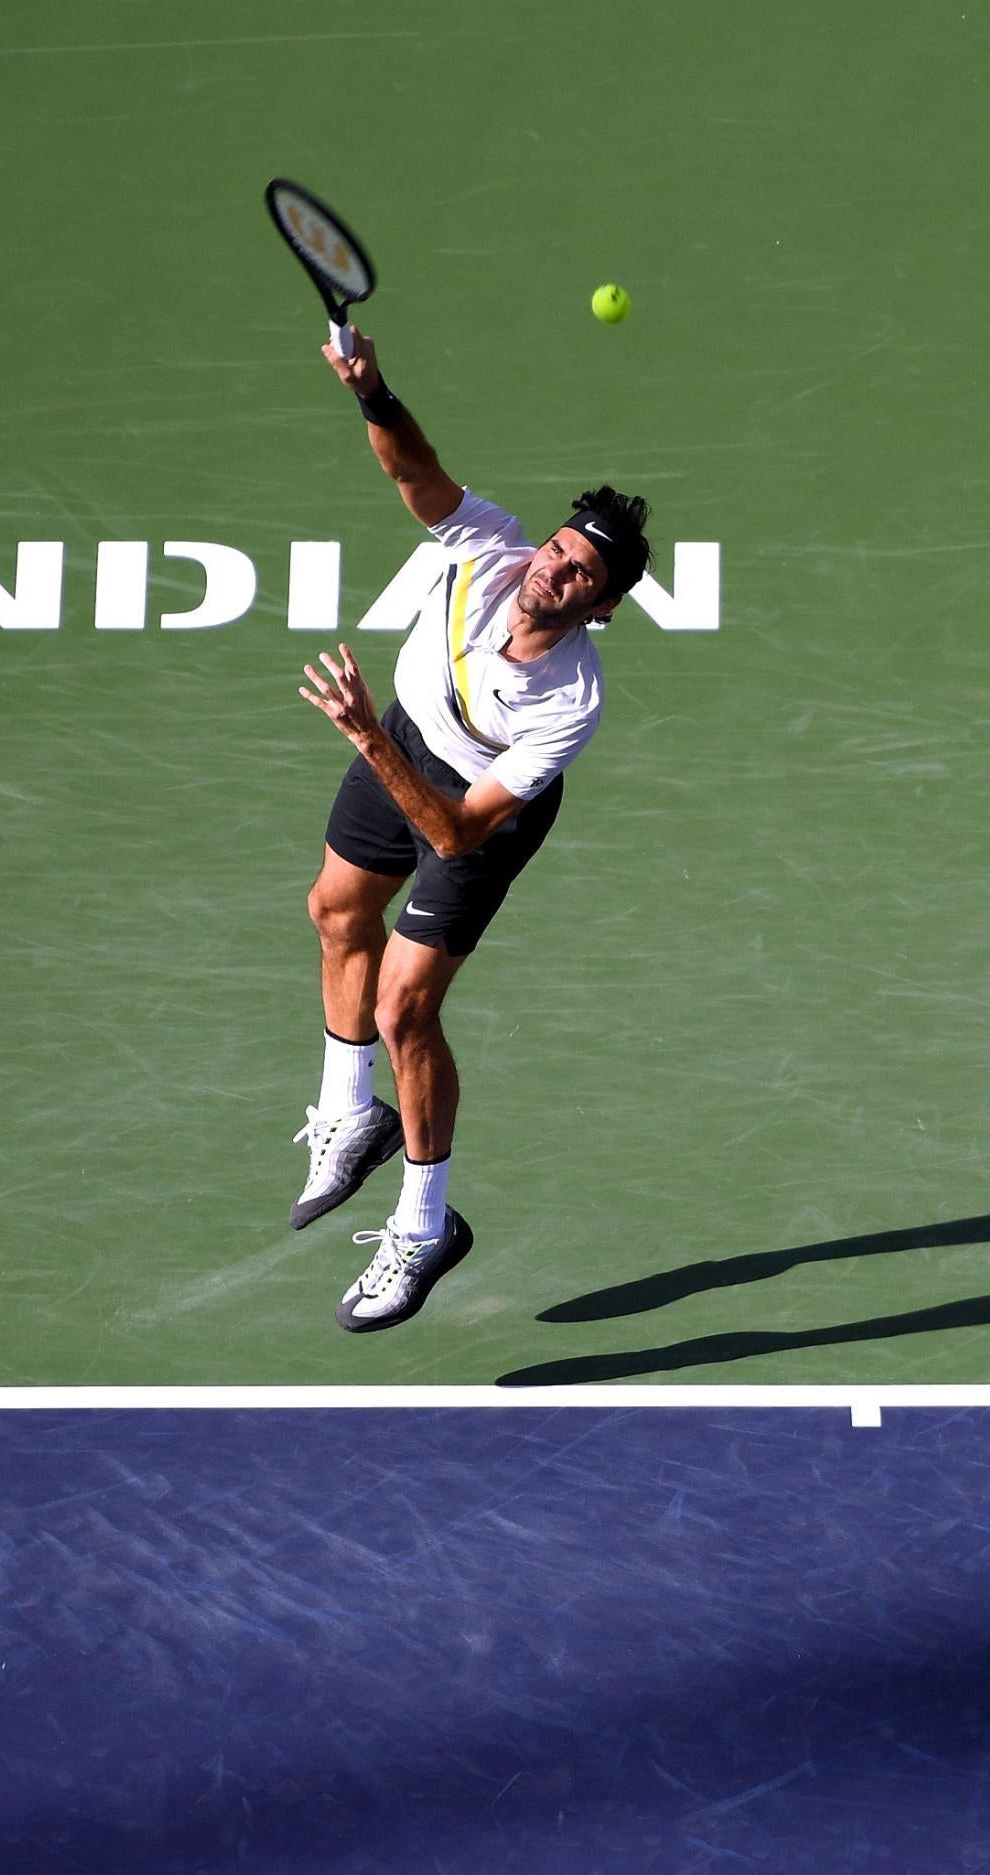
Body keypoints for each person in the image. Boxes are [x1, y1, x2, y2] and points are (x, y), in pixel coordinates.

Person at [292, 324, 651, 1332]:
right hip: (406, 736)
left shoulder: (567, 704)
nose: (556, 572)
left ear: (604, 607)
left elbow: (453, 836)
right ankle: (347, 1112)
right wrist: (370, 390)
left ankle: (423, 1225)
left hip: (472, 805)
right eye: (560, 550)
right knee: (333, 910)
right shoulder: (489, 545)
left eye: (584, 576)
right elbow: (414, 470)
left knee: (407, 1007)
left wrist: (368, 737)